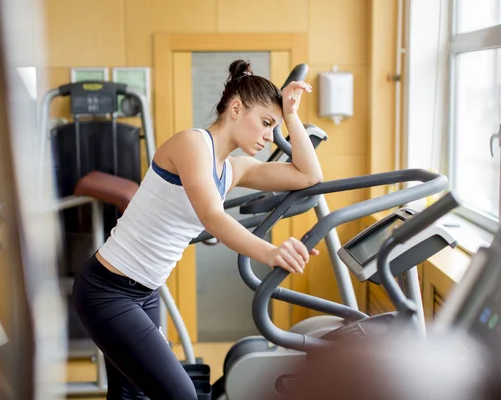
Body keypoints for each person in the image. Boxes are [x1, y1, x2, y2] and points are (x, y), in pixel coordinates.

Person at [72, 59, 323, 400]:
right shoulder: (192, 144)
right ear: (236, 108)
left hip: (144, 294)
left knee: (132, 395)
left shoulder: (232, 169)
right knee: (181, 396)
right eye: (266, 123)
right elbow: (212, 218)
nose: (269, 135)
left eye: (273, 127)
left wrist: (291, 115)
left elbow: (308, 176)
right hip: (107, 291)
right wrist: (271, 252)